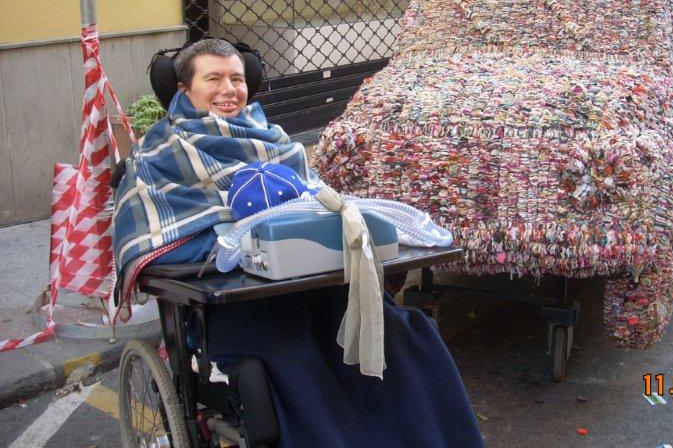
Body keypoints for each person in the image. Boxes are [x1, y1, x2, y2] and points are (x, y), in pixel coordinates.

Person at [113, 39, 484, 448]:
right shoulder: (158, 155)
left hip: (318, 288)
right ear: (184, 89)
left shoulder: (276, 142)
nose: (229, 89)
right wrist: (242, 244)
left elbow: (319, 206)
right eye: (213, 78)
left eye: (237, 78)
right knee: (295, 363)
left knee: (406, 336)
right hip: (244, 307)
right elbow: (150, 236)